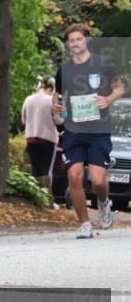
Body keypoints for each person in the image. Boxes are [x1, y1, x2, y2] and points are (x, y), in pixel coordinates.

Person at [52, 23, 125, 239]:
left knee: (98, 181)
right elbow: (57, 95)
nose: (75, 43)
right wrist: (57, 106)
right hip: (74, 130)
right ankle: (84, 223)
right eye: (71, 41)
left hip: (99, 129)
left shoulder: (103, 64)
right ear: (68, 45)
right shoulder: (64, 70)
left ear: (87, 41)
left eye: (79, 39)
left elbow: (120, 88)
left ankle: (103, 203)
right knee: (74, 176)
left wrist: (108, 99)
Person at [21, 75, 64, 193]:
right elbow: (58, 120)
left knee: (35, 170)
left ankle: (36, 196)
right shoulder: (51, 100)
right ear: (51, 89)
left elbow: (23, 120)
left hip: (31, 139)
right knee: (46, 171)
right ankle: (47, 197)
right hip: (47, 140)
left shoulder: (28, 99)